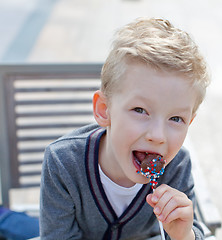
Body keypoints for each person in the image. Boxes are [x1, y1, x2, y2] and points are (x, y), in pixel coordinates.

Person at [40, 17, 210, 240]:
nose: (157, 136)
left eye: (176, 118)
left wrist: (184, 235)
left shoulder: (177, 166)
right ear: (104, 109)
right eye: (140, 110)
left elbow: (189, 230)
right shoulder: (63, 162)